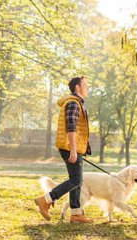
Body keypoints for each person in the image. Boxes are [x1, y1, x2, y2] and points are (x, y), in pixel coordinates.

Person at [35, 76, 93, 223]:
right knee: (76, 180)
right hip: (70, 147)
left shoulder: (76, 102)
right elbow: (71, 127)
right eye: (85, 85)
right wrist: (73, 150)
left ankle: (76, 214)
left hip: (74, 147)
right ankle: (45, 200)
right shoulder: (73, 103)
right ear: (77, 87)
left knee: (77, 180)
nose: (87, 87)